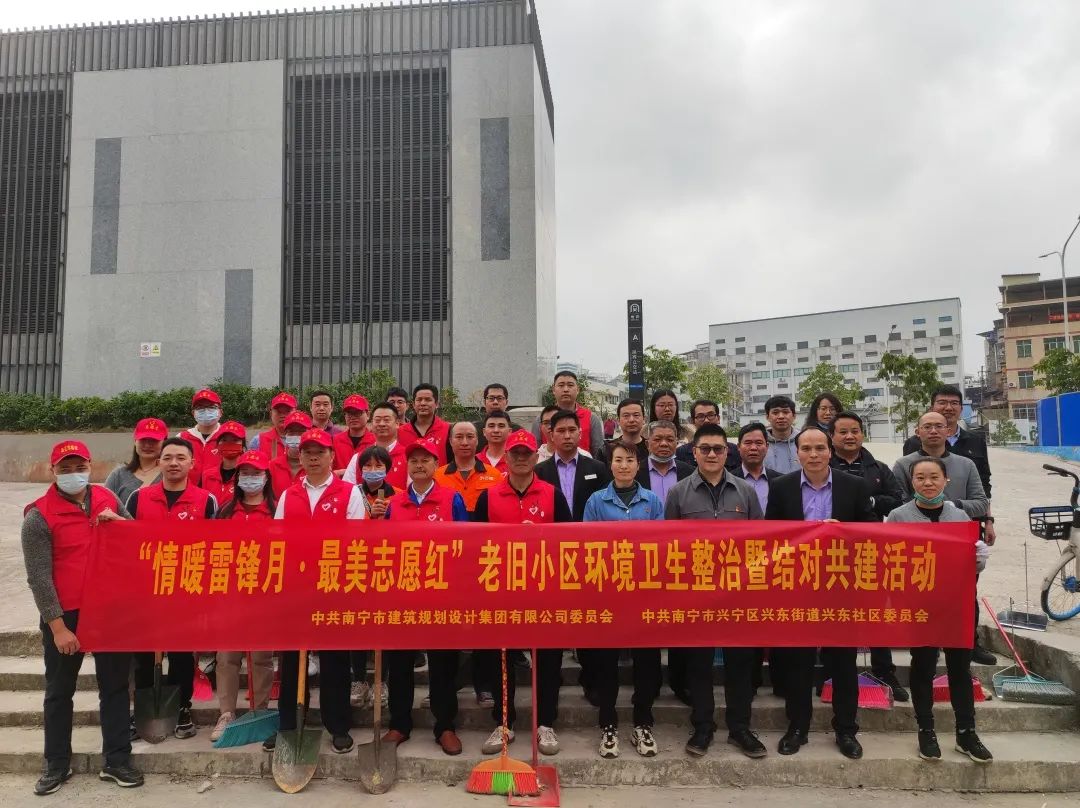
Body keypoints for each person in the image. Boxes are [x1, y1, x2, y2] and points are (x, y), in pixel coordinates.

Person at [21, 440, 143, 794]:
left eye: (80, 467)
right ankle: (56, 764)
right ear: (53, 471)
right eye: (65, 468)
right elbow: (39, 578)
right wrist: (58, 627)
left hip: (109, 610)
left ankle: (117, 760)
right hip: (66, 614)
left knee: (115, 687)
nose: (74, 474)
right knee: (60, 691)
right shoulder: (38, 515)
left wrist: (120, 523)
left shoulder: (108, 498)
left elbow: (137, 540)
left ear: (90, 466)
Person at [765, 427, 875, 760]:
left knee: (842, 663)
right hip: (798, 587)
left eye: (819, 448)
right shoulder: (782, 487)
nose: (813, 454)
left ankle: (846, 729)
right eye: (806, 448)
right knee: (797, 663)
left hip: (841, 587)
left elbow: (872, 532)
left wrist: (842, 532)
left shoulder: (854, 485)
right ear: (797, 453)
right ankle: (797, 727)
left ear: (830, 451)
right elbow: (771, 536)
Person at [664, 424, 766, 759]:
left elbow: (760, 544)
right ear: (693, 452)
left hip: (738, 593)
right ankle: (703, 726)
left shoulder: (745, 492)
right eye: (705, 448)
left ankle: (740, 728)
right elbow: (670, 546)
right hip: (696, 593)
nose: (711, 454)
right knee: (699, 663)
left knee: (740, 664)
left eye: (718, 449)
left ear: (727, 453)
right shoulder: (678, 493)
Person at [886, 457, 993, 764]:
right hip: (920, 606)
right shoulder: (898, 516)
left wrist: (979, 558)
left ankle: (966, 732)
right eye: (920, 477)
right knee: (923, 666)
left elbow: (971, 568)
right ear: (911, 482)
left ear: (946, 480)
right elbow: (889, 560)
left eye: (934, 477)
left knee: (960, 668)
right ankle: (926, 729)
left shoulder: (959, 516)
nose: (927, 483)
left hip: (956, 605)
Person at [472, 430, 572, 757]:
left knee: (547, 659)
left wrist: (539, 536)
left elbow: (570, 542)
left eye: (525, 453)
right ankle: (504, 721)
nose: (520, 458)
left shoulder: (552, 495)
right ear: (506, 457)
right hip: (501, 590)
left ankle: (545, 722)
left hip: (544, 590)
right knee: (500, 658)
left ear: (536, 456)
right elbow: (475, 544)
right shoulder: (489, 497)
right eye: (514, 453)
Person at [266, 428, 365, 755]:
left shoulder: (348, 493)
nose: (312, 457)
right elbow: (278, 538)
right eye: (307, 452)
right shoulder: (289, 495)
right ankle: (288, 724)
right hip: (296, 588)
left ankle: (338, 725)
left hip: (334, 586)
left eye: (319, 452)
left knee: (335, 660)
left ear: (331, 456)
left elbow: (355, 540)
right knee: (292, 659)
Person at [381, 437, 469, 756]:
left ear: (436, 465)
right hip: (403, 594)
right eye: (414, 460)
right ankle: (399, 724)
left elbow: (465, 544)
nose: (419, 465)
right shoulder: (395, 504)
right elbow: (385, 549)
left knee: (443, 663)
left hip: (440, 594)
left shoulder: (452, 499)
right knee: (400, 663)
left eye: (425, 460)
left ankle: (444, 725)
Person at [127, 438, 218, 741]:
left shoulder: (206, 501)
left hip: (186, 591)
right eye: (167, 458)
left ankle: (181, 708)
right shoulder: (139, 499)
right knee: (143, 656)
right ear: (159, 463)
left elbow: (215, 547)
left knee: (181, 655)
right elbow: (125, 542)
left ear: (192, 463)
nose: (174, 463)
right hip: (146, 592)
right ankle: (142, 707)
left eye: (181, 457)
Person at [900, 384, 997, 666]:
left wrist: (954, 509)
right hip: (920, 539)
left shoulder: (970, 452)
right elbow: (900, 498)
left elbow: (983, 493)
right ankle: (926, 641)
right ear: (919, 431)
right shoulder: (907, 456)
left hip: (959, 535)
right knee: (922, 591)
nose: (948, 408)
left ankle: (968, 642)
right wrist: (922, 509)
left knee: (965, 592)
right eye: (942, 402)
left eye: (954, 403)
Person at [582, 441, 665, 759]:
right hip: (608, 592)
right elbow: (588, 545)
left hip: (645, 593)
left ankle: (643, 721)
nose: (624, 465)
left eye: (630, 460)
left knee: (647, 660)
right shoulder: (596, 501)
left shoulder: (653, 501)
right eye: (618, 460)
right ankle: (608, 722)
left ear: (638, 465)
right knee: (606, 661)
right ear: (611, 465)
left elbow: (661, 545)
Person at [827, 411, 909, 699]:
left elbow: (898, 501)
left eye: (855, 431)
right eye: (843, 432)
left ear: (862, 434)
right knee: (833, 613)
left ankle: (884, 671)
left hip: (869, 550)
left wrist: (869, 500)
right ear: (832, 436)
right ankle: (832, 673)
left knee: (874, 612)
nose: (850, 436)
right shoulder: (823, 465)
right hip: (832, 553)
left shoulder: (878, 468)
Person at [211, 450, 275, 742]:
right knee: (227, 655)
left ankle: (259, 710)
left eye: (256, 474)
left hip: (265, 594)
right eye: (245, 474)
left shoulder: (276, 510)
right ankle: (226, 713)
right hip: (231, 592)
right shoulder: (226, 511)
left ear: (266, 477)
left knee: (261, 656)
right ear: (237, 478)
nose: (251, 479)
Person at [346, 445, 397, 709]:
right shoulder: (351, 494)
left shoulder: (397, 496)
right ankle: (358, 679)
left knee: (383, 626)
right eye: (367, 466)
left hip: (387, 566)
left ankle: (382, 681)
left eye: (379, 466)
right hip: (357, 566)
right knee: (357, 625)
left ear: (388, 469)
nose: (373, 470)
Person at [892, 412, 988, 520]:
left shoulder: (966, 464)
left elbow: (982, 504)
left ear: (948, 431)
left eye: (939, 426)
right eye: (927, 427)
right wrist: (924, 506)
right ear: (917, 432)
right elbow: (897, 503)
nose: (933, 431)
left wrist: (953, 505)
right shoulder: (903, 465)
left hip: (957, 527)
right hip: (916, 528)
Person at [535, 409, 611, 522]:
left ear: (579, 433)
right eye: (561, 431)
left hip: (588, 529)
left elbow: (604, 506)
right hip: (552, 530)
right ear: (551, 435)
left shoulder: (597, 468)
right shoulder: (539, 471)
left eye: (572, 430)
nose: (567, 436)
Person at [530, 371, 604, 455]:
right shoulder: (541, 420)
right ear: (553, 390)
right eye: (561, 385)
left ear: (577, 390)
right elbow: (535, 453)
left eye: (570, 385)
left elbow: (598, 453)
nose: (566, 389)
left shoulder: (591, 418)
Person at [434, 422, 502, 512]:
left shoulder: (495, 475)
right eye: (459, 437)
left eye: (470, 437)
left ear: (477, 440)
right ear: (450, 441)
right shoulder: (437, 477)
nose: (464, 443)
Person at [344, 402, 408, 489]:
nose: (381, 424)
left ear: (397, 423)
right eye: (377, 420)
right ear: (371, 424)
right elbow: (347, 490)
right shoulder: (358, 458)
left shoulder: (408, 457)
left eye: (386, 420)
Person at [104, 417, 165, 507]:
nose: (147, 445)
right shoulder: (118, 475)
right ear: (135, 441)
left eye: (154, 440)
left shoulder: (170, 474)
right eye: (143, 439)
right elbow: (105, 505)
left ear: (164, 442)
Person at [635, 419, 693, 505]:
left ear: (676, 443)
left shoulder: (690, 473)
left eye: (670, 440)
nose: (664, 444)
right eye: (657, 439)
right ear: (647, 444)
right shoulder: (635, 472)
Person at [676, 400, 741, 471]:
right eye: (700, 416)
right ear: (692, 421)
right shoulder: (681, 453)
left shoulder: (735, 451)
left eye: (710, 415)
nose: (706, 420)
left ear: (718, 418)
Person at [732, 422, 781, 512]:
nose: (753, 448)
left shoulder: (781, 481)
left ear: (767, 447)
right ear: (738, 447)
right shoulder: (728, 481)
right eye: (748, 443)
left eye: (759, 443)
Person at [179, 388, 225, 484]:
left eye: (211, 407)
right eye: (200, 408)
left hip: (220, 491)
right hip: (188, 491)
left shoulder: (229, 436)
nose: (206, 411)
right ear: (193, 413)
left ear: (220, 412)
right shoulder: (181, 438)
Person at [397, 383, 452, 464]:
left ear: (437, 404)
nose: (423, 403)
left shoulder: (448, 430)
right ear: (413, 404)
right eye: (419, 400)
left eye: (428, 400)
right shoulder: (400, 432)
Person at [198, 420, 247, 507]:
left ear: (243, 445)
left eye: (235, 440)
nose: (229, 444)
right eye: (224, 440)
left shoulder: (249, 476)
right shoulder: (207, 475)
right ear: (217, 445)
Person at [268, 411, 313, 496]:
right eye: (291, 432)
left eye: (301, 432)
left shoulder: (316, 465)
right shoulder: (273, 466)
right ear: (285, 435)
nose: (296, 436)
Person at [332, 394, 376, 474]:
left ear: (368, 415)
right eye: (349, 413)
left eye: (357, 413)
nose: (353, 417)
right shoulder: (335, 441)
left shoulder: (375, 441)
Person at [598, 399, 649, 464]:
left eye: (636, 415)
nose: (631, 420)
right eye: (626, 416)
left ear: (644, 419)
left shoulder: (651, 448)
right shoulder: (606, 450)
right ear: (618, 420)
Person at [250, 392, 297, 458]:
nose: (283, 415)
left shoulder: (306, 439)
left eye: (287, 411)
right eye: (279, 411)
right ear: (271, 414)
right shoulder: (258, 441)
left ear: (296, 413)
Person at [475, 384, 520, 450]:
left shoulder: (518, 431)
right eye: (491, 398)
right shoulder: (474, 430)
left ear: (506, 402)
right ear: (484, 402)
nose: (495, 402)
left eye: (499, 398)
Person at [763, 395, 800, 474]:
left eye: (785, 412)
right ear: (767, 417)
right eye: (775, 413)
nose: (781, 416)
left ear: (794, 416)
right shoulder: (761, 443)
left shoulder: (803, 441)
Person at [478, 410, 512, 474]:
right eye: (491, 426)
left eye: (501, 426)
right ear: (484, 432)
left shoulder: (515, 461)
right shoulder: (475, 461)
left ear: (509, 432)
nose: (496, 430)